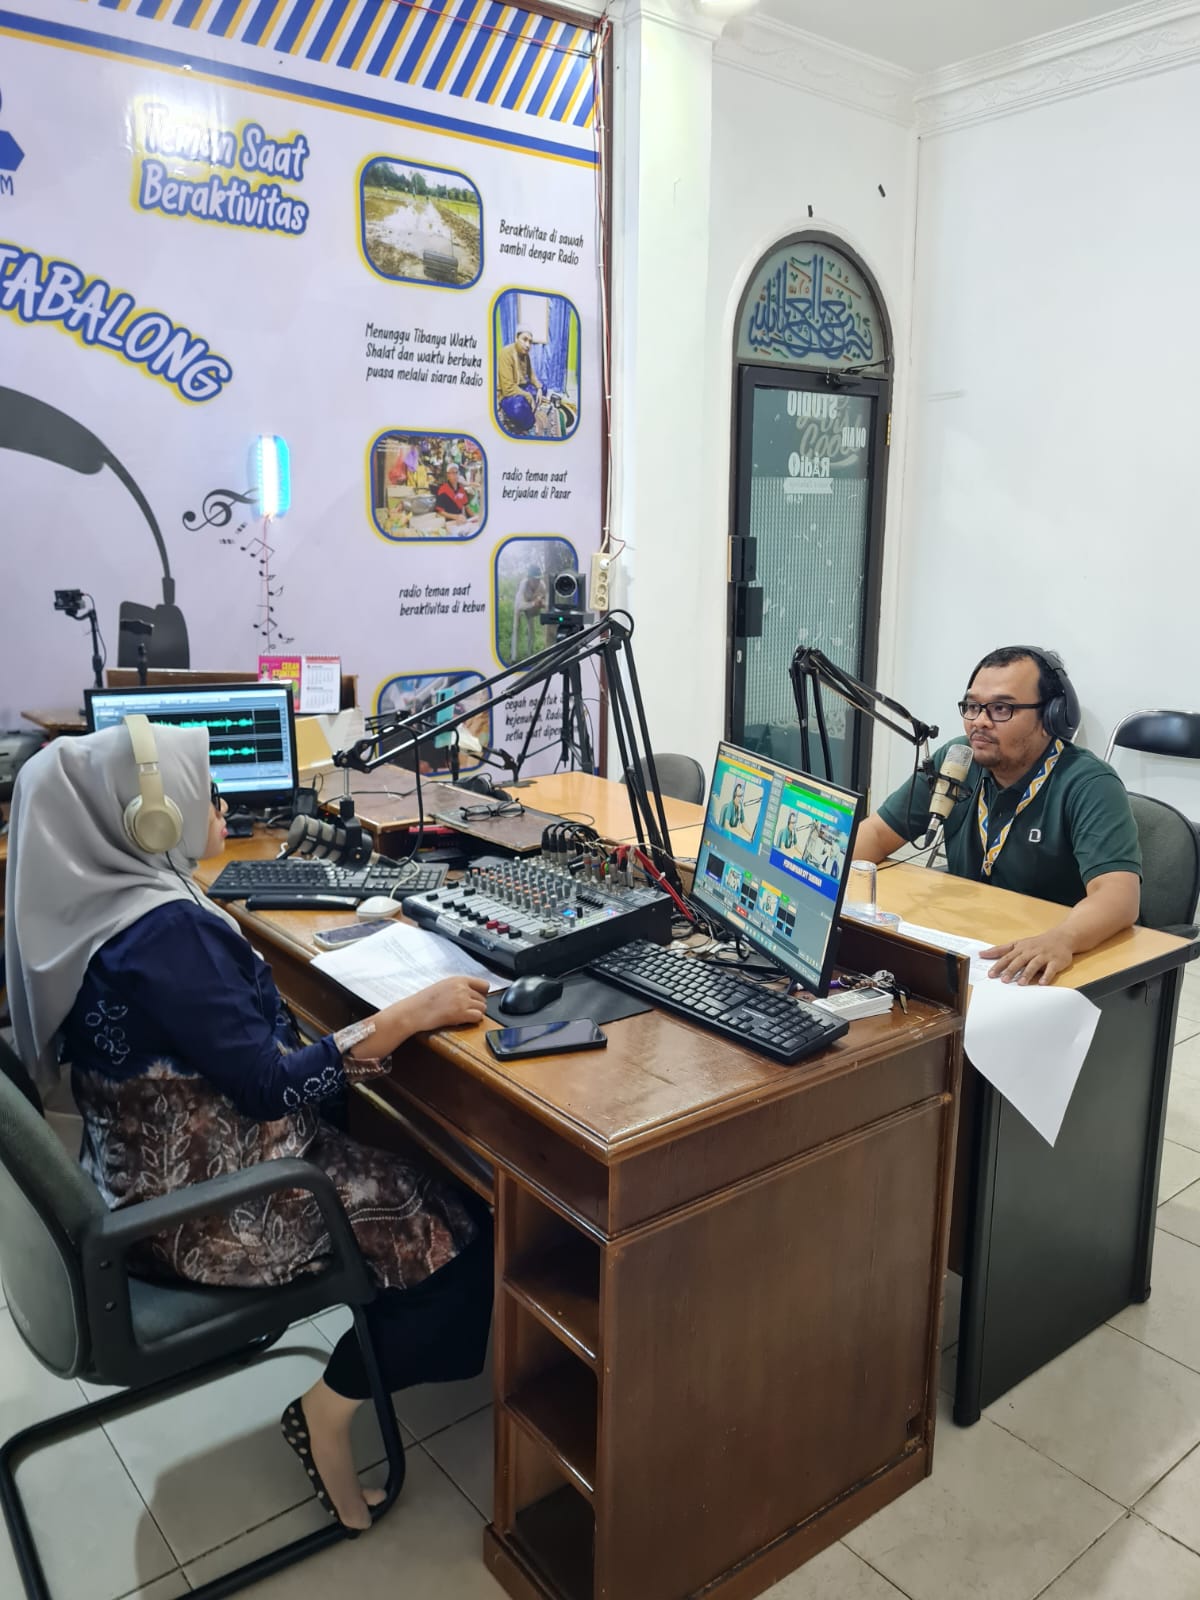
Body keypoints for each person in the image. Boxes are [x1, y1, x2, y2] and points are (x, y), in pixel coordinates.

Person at [4, 721, 494, 1533]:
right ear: (148, 820)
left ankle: (365, 1334)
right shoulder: (169, 935)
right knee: (468, 1236)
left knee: (391, 1145)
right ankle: (328, 1411)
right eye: (206, 796)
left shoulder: (95, 913)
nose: (223, 809)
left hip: (138, 1195)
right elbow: (269, 1087)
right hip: (217, 1216)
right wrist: (408, 1016)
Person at [851, 647, 1141, 985]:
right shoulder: (958, 759)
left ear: (1051, 718)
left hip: (1048, 963)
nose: (979, 722)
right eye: (972, 706)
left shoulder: (1089, 783)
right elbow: (877, 834)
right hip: (972, 944)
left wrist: (1063, 938)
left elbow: (1118, 897)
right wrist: (814, 877)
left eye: (1001, 709)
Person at [496, 326, 543, 436]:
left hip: (521, 387)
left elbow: (531, 374)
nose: (528, 345)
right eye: (524, 339)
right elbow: (507, 389)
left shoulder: (525, 354)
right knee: (518, 407)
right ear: (516, 338)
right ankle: (530, 425)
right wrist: (528, 396)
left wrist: (539, 388)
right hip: (507, 394)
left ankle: (528, 409)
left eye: (530, 342)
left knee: (543, 388)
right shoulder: (506, 353)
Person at [510, 568, 546, 660]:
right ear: (529, 578)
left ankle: (529, 654)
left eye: (538, 579)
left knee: (531, 630)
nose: (537, 582)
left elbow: (545, 600)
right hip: (521, 605)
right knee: (516, 628)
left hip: (531, 606)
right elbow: (520, 605)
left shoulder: (542, 585)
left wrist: (542, 603)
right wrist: (534, 603)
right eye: (534, 579)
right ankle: (514, 657)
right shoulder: (523, 585)